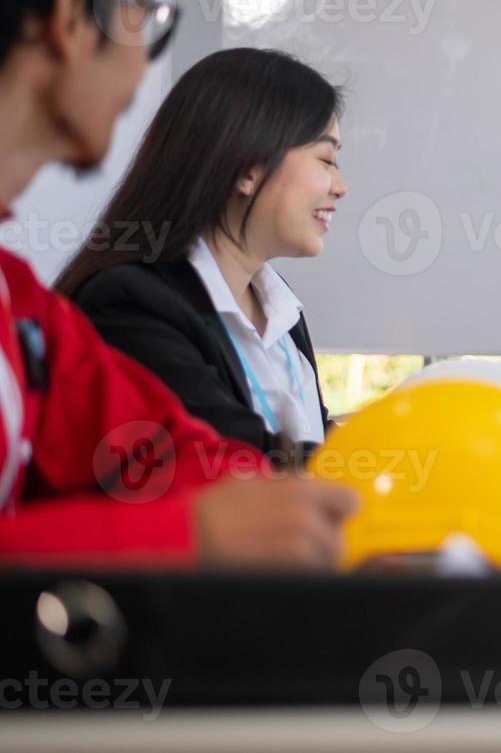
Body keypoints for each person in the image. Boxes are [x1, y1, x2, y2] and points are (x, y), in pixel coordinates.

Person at [0, 0, 354, 565]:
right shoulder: (117, 300)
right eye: (147, 15)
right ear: (70, 21)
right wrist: (193, 531)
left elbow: (182, 450)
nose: (145, 68)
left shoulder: (22, 307)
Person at [57, 49, 346, 462]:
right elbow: (234, 464)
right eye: (327, 159)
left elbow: (308, 439)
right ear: (250, 169)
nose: (340, 187)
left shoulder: (278, 305)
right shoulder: (130, 306)